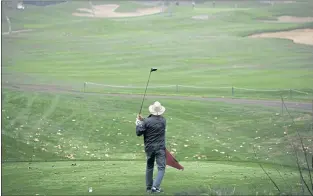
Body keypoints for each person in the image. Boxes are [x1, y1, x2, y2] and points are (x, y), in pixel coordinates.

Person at [135, 101, 167, 193]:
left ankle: (149, 187)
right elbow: (152, 123)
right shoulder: (163, 120)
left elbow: (139, 133)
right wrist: (142, 121)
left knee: (149, 166)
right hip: (160, 147)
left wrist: (138, 123)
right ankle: (155, 187)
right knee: (161, 168)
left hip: (149, 148)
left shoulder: (146, 121)